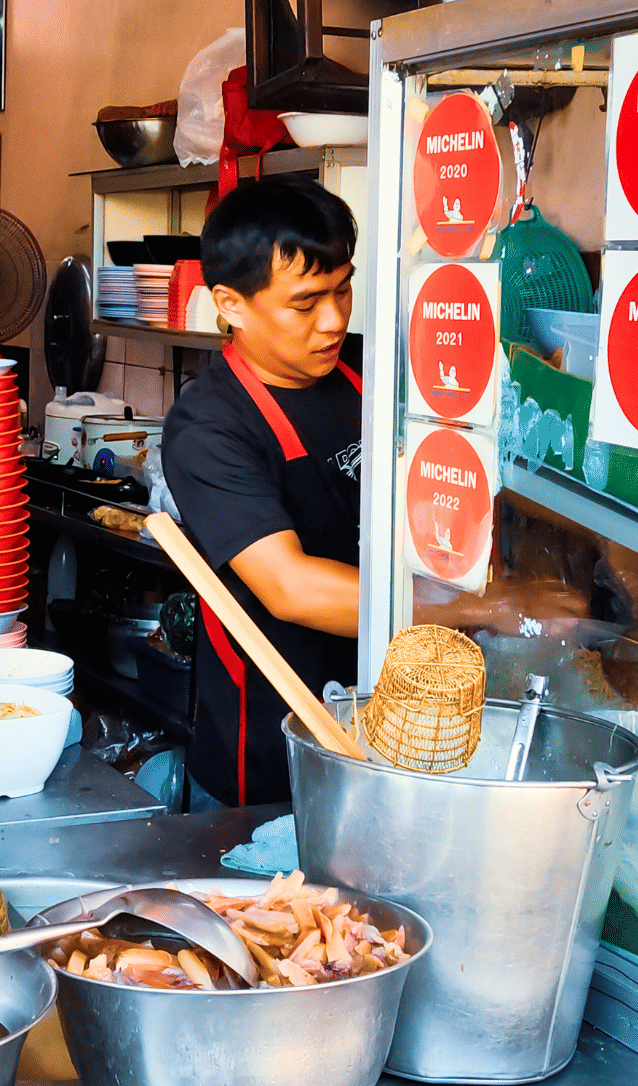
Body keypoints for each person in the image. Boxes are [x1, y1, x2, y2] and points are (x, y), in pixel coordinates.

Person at [161, 178, 363, 808]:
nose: (334, 320)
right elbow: (290, 586)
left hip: (388, 721)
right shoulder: (209, 425)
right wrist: (466, 608)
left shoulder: (368, 375)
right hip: (270, 758)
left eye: (343, 289)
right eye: (306, 304)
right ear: (231, 304)